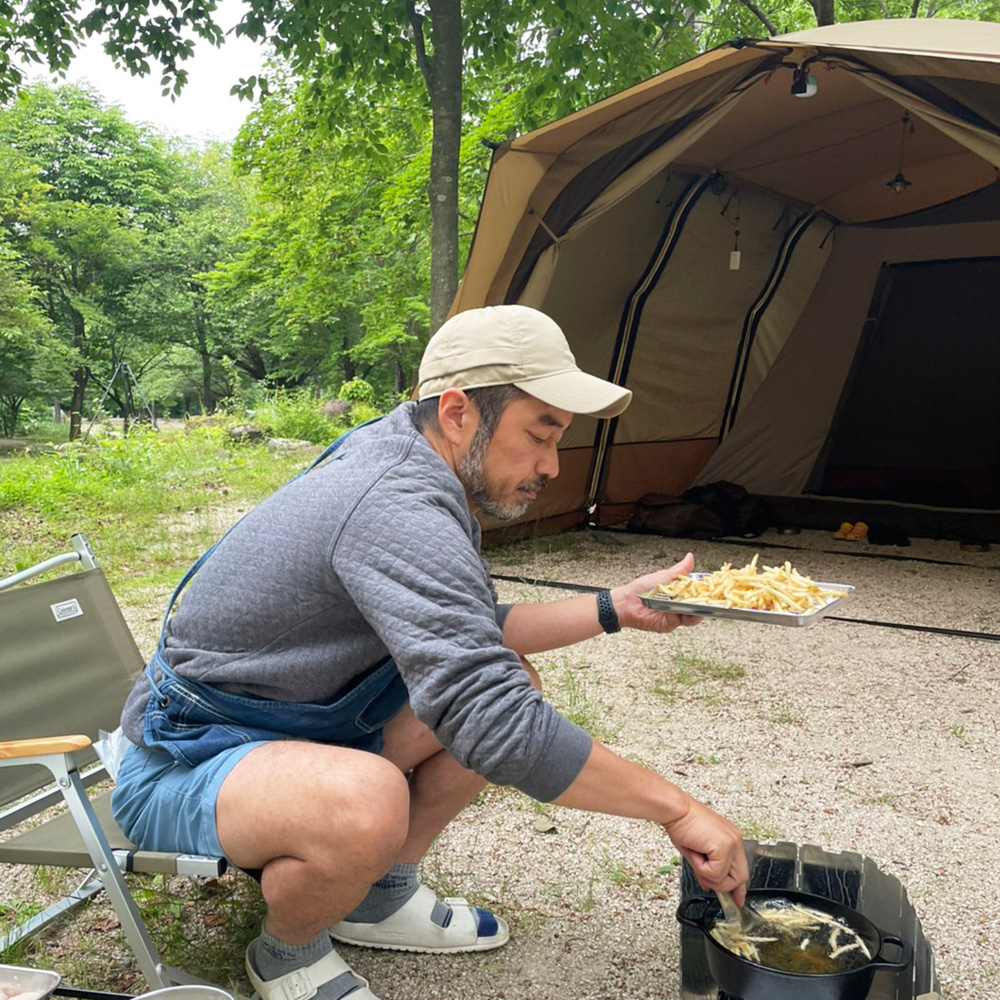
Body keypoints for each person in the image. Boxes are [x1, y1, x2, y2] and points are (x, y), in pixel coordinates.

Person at [111, 304, 748, 1000]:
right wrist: (679, 810)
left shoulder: (413, 457)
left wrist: (614, 608)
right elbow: (489, 719)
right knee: (371, 798)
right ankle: (288, 957)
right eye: (540, 434)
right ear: (456, 414)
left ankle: (378, 896)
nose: (551, 467)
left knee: (515, 682)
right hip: (185, 761)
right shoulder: (396, 501)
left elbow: (462, 631)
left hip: (292, 727)